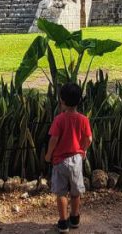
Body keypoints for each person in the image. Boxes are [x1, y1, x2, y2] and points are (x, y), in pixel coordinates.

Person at [44, 82, 93, 232]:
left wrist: (48, 155)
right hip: (77, 160)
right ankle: (75, 217)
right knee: (75, 191)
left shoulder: (59, 119)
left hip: (60, 160)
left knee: (61, 192)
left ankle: (63, 222)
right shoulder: (83, 119)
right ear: (79, 101)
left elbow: (53, 139)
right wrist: (83, 150)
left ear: (62, 101)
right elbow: (89, 139)